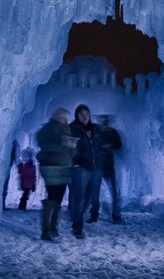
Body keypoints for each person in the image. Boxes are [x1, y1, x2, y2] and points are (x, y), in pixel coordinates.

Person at [36, 108, 77, 242]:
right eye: (62, 117)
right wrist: (62, 143)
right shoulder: (47, 130)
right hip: (50, 166)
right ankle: (46, 229)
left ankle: (53, 227)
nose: (64, 120)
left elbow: (70, 150)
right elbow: (45, 144)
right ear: (55, 116)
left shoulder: (66, 130)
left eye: (65, 118)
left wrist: (72, 154)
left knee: (58, 198)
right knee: (52, 196)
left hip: (64, 167)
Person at [68, 104, 102, 239]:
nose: (84, 116)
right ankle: (77, 227)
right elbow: (68, 147)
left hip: (93, 168)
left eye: (86, 113)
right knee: (79, 196)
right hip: (79, 167)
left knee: (90, 195)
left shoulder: (94, 129)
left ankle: (76, 215)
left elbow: (98, 147)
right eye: (81, 114)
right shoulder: (72, 128)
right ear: (77, 115)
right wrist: (74, 162)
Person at [90, 114, 123, 224]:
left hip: (109, 166)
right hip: (97, 166)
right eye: (103, 122)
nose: (104, 124)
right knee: (94, 192)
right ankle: (94, 215)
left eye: (106, 122)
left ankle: (116, 215)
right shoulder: (95, 131)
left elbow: (118, 145)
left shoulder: (112, 132)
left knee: (114, 191)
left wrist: (110, 145)